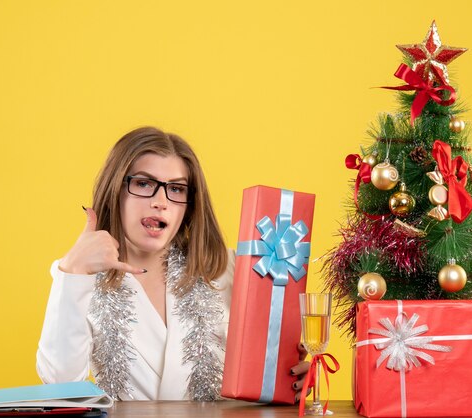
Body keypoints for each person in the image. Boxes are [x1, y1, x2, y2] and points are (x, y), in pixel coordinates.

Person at [36, 126, 310, 402]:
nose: (160, 202)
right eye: (143, 183)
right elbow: (60, 386)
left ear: (188, 205)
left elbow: (257, 377)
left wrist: (287, 378)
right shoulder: (79, 275)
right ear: (116, 190)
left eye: (176, 189)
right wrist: (73, 271)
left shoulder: (225, 268)